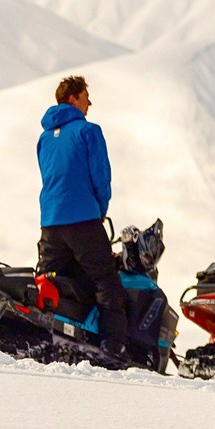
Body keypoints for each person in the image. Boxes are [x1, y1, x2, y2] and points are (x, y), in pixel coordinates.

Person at [36, 75, 130, 352]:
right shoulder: (88, 131)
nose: (90, 102)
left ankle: (49, 337)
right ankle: (114, 347)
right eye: (86, 96)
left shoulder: (43, 139)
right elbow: (101, 177)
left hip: (50, 222)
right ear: (72, 98)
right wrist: (100, 209)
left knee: (52, 282)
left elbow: (49, 176)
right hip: (83, 219)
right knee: (106, 280)